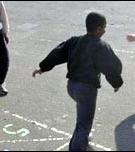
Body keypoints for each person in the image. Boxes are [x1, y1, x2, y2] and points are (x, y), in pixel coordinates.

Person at [32, 12, 123, 151]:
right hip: (86, 90)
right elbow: (112, 66)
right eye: (104, 27)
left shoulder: (75, 40)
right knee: (83, 125)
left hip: (71, 87)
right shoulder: (101, 45)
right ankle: (78, 145)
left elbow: (57, 53)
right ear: (99, 29)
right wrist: (116, 82)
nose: (105, 30)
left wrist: (42, 68)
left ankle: (83, 137)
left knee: (82, 118)